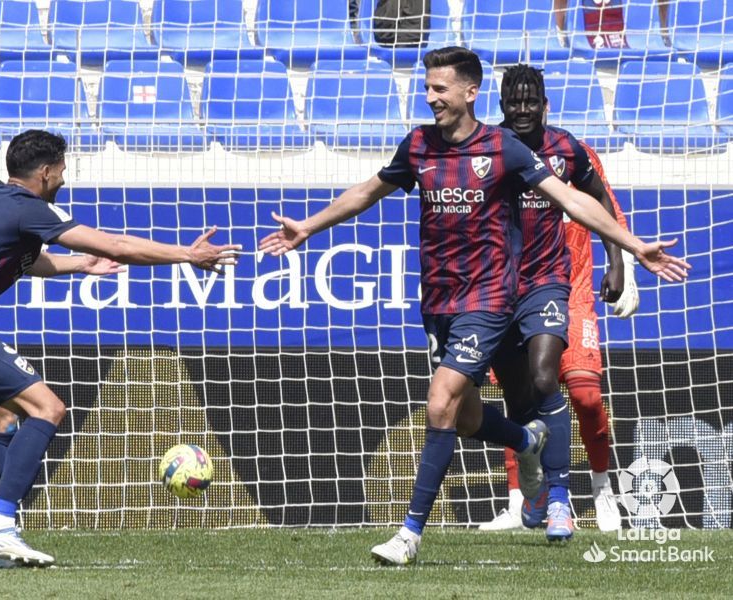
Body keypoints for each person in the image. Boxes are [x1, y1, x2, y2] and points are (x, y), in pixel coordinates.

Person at [258, 47, 689, 566]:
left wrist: (632, 245)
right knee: (462, 417)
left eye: (440, 88)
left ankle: (411, 533)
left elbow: (573, 199)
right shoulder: (418, 145)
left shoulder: (502, 147)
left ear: (469, 92)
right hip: (438, 299)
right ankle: (526, 439)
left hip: (488, 299)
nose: (430, 97)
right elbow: (368, 192)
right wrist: (309, 226)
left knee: (444, 400)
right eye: (427, 88)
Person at [0, 130, 240, 567]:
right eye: (61, 170)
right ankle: (1, 526)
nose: (63, 178)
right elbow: (117, 244)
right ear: (44, 172)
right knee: (48, 408)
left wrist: (80, 265)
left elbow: (24, 260)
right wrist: (187, 255)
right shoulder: (29, 208)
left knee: (2, 421)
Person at [475, 64, 632, 541]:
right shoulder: (488, 149)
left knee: (581, 393)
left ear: (545, 105)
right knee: (519, 393)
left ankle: (600, 487)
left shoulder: (570, 150)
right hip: (504, 288)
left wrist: (621, 262)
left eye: (532, 101)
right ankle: (523, 499)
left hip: (571, 281)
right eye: (514, 101)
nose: (523, 108)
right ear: (500, 105)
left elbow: (601, 202)